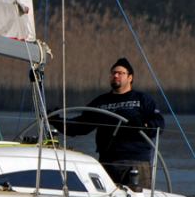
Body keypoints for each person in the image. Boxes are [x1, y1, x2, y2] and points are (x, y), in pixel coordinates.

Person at [50, 57, 164, 188]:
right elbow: (80, 126)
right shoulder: (101, 102)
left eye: (120, 73)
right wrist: (56, 121)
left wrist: (143, 125)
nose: (115, 75)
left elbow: (159, 123)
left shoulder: (143, 99)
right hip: (107, 162)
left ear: (130, 77)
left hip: (136, 162)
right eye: (113, 73)